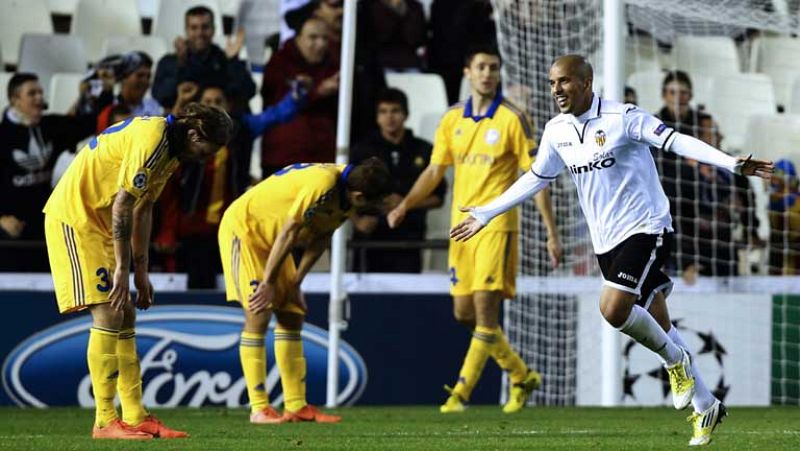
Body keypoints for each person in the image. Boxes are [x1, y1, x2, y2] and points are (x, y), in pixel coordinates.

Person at [449, 55, 774, 446]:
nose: (556, 90)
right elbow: (536, 178)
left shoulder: (624, 117)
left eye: (565, 82)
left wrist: (729, 164)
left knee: (612, 308)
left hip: (648, 228)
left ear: (586, 83)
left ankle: (676, 363)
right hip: (606, 242)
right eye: (552, 83)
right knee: (662, 325)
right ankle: (705, 405)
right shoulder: (556, 132)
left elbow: (676, 140)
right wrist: (486, 212)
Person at [42, 103, 234, 440]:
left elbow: (144, 208)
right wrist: (122, 268)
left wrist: (141, 271)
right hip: (77, 218)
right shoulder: (152, 139)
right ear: (194, 134)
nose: (207, 158)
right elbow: (123, 205)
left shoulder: (171, 150)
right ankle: (104, 420)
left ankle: (134, 414)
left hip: (101, 222)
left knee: (125, 314)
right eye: (208, 149)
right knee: (108, 312)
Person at [387, 45, 561, 414]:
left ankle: (459, 394)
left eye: (493, 68)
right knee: (463, 314)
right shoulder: (452, 119)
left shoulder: (514, 118)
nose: (487, 73)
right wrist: (405, 203)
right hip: (459, 229)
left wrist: (550, 231)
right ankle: (521, 374)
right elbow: (435, 170)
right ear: (467, 71)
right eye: (481, 67)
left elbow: (537, 175)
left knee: (484, 313)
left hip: (496, 226)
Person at [218, 159, 391, 424]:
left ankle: (296, 405)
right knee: (259, 310)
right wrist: (268, 283)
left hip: (274, 240)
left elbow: (321, 237)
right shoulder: (321, 185)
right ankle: (259, 408)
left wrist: (296, 283)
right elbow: (290, 231)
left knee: (292, 312)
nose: (377, 208)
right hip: (245, 231)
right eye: (374, 202)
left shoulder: (346, 192)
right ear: (359, 196)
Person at [155, 81, 308, 287]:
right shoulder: (187, 134)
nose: (213, 106)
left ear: (229, 105)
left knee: (230, 283)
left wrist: (296, 96)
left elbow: (274, 116)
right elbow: (166, 134)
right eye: (208, 101)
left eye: (219, 101)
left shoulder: (242, 128)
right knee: (198, 284)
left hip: (231, 222)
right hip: (193, 223)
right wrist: (180, 102)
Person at [0, 72, 112, 270]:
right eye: (32, 93)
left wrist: (105, 91)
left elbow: (91, 122)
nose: (39, 98)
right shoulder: (3, 136)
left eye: (40, 92)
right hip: (9, 231)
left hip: (45, 225)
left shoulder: (50, 126)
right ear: (15, 99)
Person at [351, 88, 446, 272]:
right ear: (377, 117)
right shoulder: (361, 151)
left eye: (395, 111)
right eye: (383, 112)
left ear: (406, 114)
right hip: (370, 238)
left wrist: (405, 204)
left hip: (409, 238)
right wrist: (358, 222)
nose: (389, 117)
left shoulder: (424, 150)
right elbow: (343, 191)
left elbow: (438, 197)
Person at [260, 15, 340, 177]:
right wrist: (317, 92)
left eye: (325, 38)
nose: (321, 44)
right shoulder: (280, 63)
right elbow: (275, 100)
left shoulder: (336, 67)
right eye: (313, 37)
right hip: (282, 158)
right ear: (298, 38)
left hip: (322, 160)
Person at [152, 6, 255, 112]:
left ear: (213, 29)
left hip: (223, 123)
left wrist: (233, 61)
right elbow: (162, 97)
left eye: (205, 27)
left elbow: (248, 92)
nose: (199, 33)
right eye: (194, 28)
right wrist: (180, 64)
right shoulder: (171, 62)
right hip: (184, 122)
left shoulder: (225, 59)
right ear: (186, 30)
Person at [96, 52, 162, 131]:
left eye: (148, 76)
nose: (145, 81)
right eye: (139, 75)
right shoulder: (107, 106)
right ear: (124, 77)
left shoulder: (153, 107)